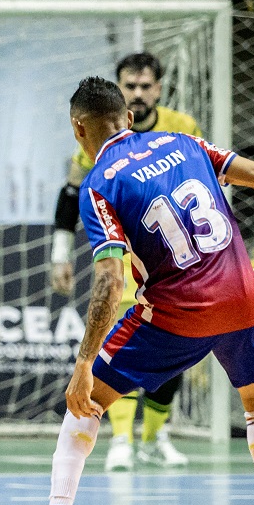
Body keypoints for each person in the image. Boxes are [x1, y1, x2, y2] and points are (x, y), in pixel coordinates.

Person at [3, 76, 254, 505]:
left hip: (174, 314)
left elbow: (108, 281)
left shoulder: (99, 184)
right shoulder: (184, 142)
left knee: (88, 401)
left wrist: (83, 362)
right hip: (241, 298)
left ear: (79, 130)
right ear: (127, 117)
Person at [50, 53, 199, 471]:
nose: (138, 92)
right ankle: (119, 439)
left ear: (157, 89)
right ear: (119, 93)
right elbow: (70, 195)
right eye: (129, 86)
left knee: (174, 351)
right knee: (120, 346)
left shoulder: (182, 128)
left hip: (178, 260)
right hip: (127, 259)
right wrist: (60, 252)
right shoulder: (94, 140)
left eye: (145, 85)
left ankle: (154, 437)